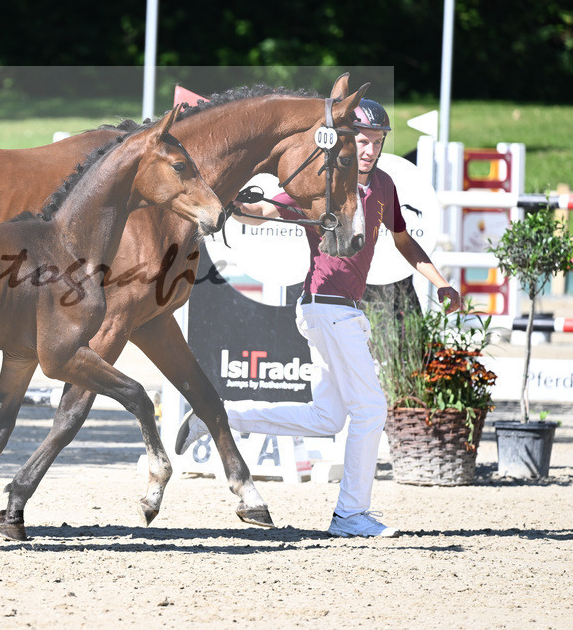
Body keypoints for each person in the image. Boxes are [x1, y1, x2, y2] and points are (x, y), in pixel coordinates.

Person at [175, 98, 461, 538]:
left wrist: (440, 281)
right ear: (349, 141)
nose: (369, 150)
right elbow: (267, 210)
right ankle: (350, 514)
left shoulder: (383, 185)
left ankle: (215, 416)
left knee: (326, 418)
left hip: (340, 309)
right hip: (325, 305)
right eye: (363, 141)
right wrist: (230, 201)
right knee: (371, 409)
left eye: (377, 142)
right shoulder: (324, 182)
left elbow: (404, 241)